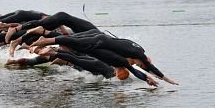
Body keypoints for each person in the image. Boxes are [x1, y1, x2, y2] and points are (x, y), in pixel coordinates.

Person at [29, 29, 178, 85]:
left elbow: (144, 70)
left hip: (101, 43)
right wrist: (165, 79)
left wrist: (151, 78)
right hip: (100, 41)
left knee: (76, 48)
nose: (139, 65)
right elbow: (147, 69)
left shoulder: (132, 55)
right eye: (140, 64)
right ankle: (45, 41)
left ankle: (51, 49)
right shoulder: (134, 56)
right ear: (141, 60)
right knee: (74, 42)